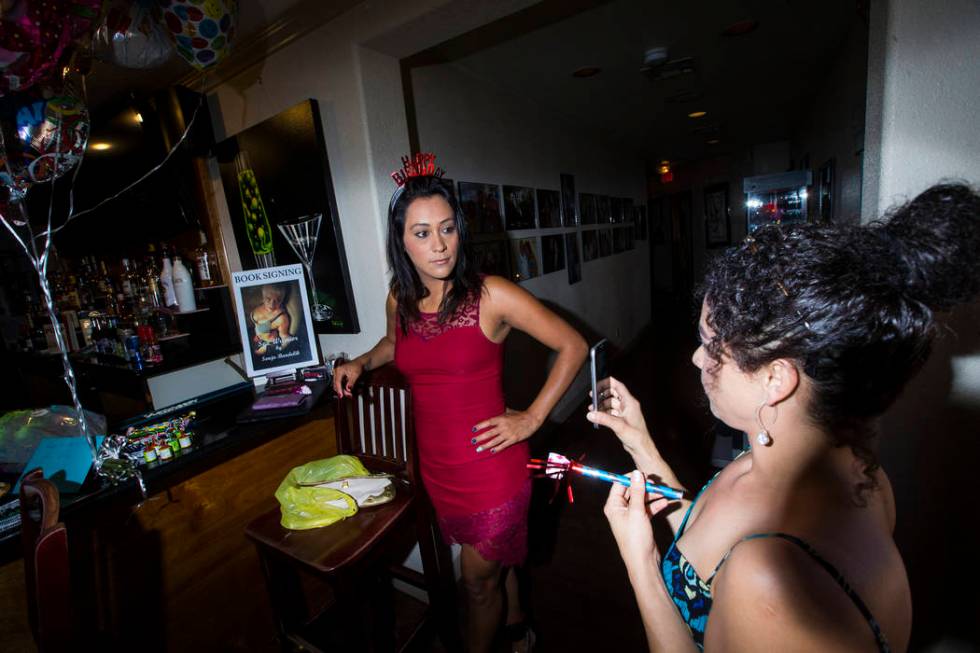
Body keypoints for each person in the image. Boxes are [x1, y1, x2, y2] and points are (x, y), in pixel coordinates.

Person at [588, 183, 980, 652]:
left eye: (713, 347)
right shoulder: (854, 472)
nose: (696, 359)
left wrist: (642, 564)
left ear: (776, 380)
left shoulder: (769, 581)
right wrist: (641, 443)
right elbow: (708, 549)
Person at [333, 171, 587, 653]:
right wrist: (363, 360)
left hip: (492, 468)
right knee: (494, 566)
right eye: (422, 232)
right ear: (401, 241)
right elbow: (394, 343)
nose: (440, 245)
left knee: (474, 583)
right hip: (438, 469)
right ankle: (519, 631)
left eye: (447, 228)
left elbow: (572, 344)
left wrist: (532, 418)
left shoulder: (491, 295)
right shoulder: (400, 299)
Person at [250, 283, 292, 355]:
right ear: (263, 298)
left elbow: (285, 338)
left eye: (278, 300)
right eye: (268, 299)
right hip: (257, 339)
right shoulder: (257, 308)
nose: (272, 304)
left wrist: (279, 351)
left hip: (269, 345)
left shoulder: (281, 318)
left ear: (282, 300)